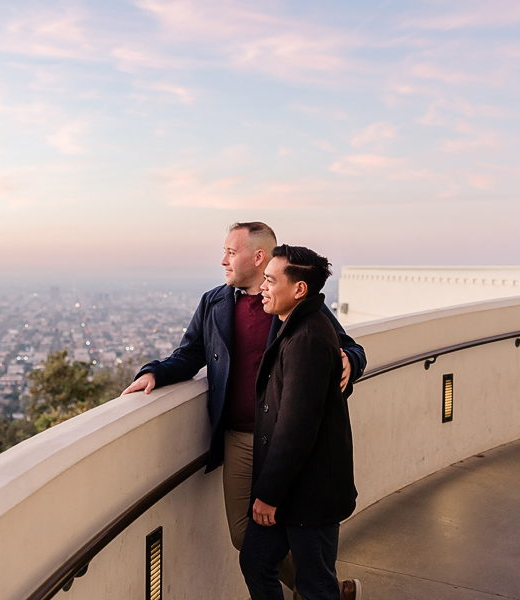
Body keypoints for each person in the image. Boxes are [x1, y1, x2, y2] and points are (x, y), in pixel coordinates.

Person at [122, 223, 364, 600]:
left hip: (288, 440)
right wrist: (155, 371)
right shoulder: (215, 303)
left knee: (285, 539)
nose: (223, 261)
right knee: (245, 536)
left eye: (231, 253)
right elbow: (190, 354)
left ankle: (320, 590)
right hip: (240, 437)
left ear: (258, 257)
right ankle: (323, 590)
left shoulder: (294, 306)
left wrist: (348, 359)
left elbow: (344, 347)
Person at [239, 244, 358, 600]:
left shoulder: (307, 337)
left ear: (299, 289)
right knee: (256, 561)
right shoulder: (292, 325)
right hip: (293, 488)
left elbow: (296, 426)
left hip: (310, 491)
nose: (263, 287)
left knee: (316, 584)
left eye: (271, 281)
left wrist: (268, 496)